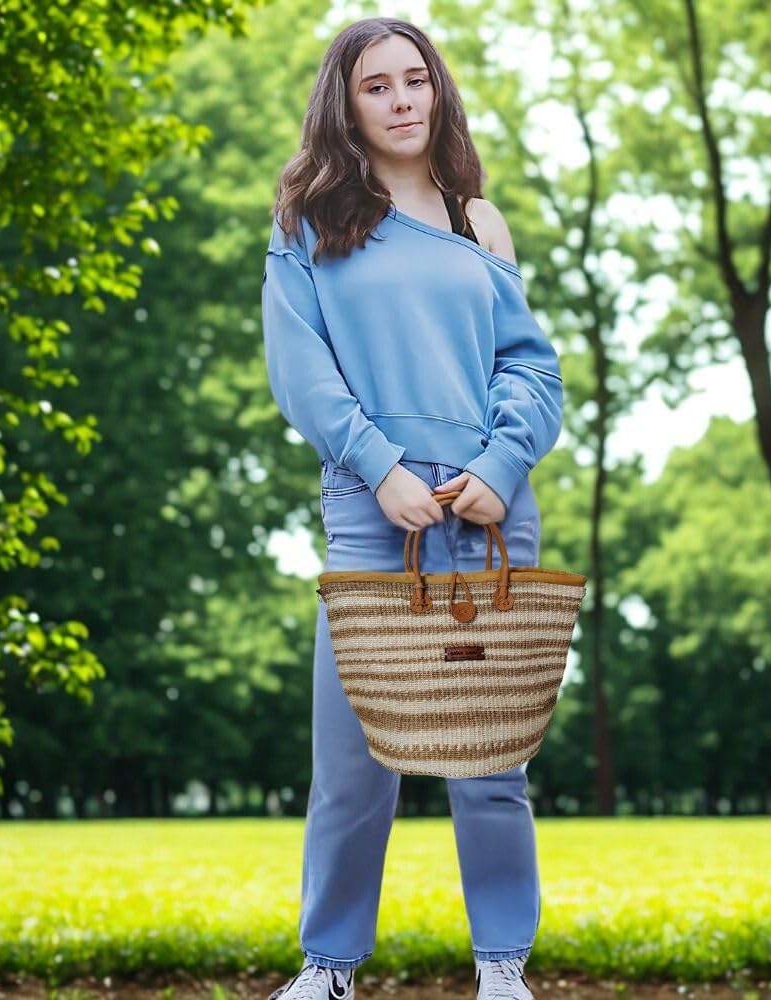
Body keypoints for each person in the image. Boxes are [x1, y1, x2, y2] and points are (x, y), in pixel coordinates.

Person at [260, 16, 564, 1000]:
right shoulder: (306, 221)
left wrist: (502, 463)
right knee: (352, 758)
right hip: (369, 503)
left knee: (489, 755)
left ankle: (502, 964)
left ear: (437, 92)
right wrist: (378, 462)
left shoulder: (480, 221)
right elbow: (300, 369)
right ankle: (330, 966)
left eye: (415, 80)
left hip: (484, 511)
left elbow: (529, 368)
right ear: (344, 105)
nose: (400, 100)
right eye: (376, 86)